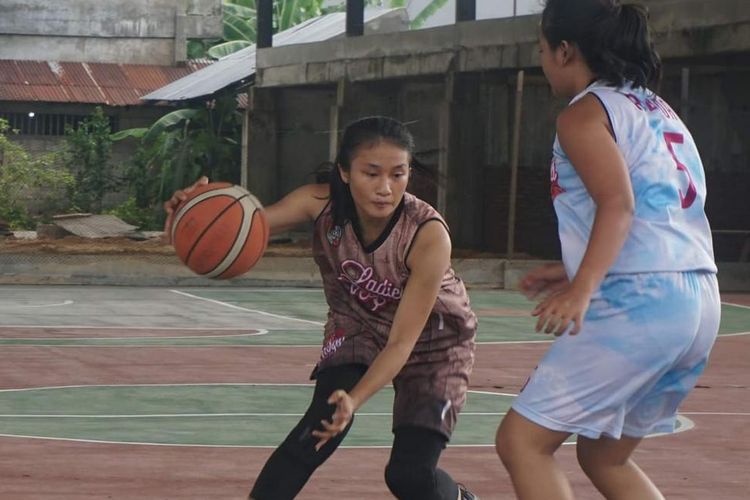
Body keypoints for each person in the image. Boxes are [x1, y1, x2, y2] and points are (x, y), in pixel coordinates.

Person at [164, 116, 479, 500]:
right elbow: (243, 223)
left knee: (408, 476)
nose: (385, 188)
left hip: (435, 344)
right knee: (316, 432)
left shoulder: (427, 234)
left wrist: (355, 399)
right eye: (371, 173)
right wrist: (193, 209)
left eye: (398, 174)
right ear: (345, 173)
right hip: (357, 325)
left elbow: (401, 344)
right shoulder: (319, 204)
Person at [494, 1, 720, 499]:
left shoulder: (582, 116)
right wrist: (577, 267)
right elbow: (655, 214)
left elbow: (618, 203)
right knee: (604, 454)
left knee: (521, 441)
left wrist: (585, 284)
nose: (542, 58)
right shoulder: (656, 109)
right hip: (698, 300)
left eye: (542, 48)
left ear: (566, 50)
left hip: (642, 301)